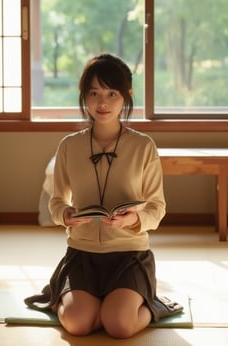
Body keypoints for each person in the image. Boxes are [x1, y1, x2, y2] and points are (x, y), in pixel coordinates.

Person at [25, 53, 182, 338]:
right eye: (94, 93)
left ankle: (155, 303)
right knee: (77, 324)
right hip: (82, 255)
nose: (103, 102)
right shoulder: (69, 146)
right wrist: (65, 215)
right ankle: (75, 298)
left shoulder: (143, 146)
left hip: (130, 255)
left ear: (127, 95)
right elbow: (57, 199)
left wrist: (134, 219)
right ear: (84, 96)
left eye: (112, 93)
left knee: (119, 326)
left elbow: (157, 207)